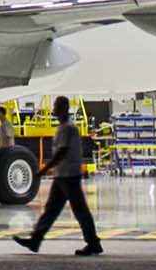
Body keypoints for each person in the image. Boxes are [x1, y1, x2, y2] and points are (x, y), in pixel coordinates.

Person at [12, 96, 102, 257]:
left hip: (70, 176)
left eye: (56, 106)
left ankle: (93, 243)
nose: (53, 108)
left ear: (63, 108)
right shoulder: (62, 127)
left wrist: (44, 170)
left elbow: (62, 151)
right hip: (61, 176)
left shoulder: (68, 128)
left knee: (80, 210)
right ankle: (35, 240)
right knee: (51, 211)